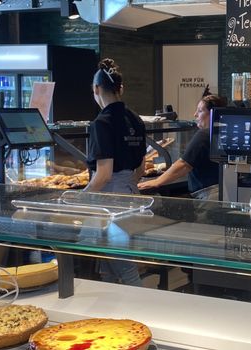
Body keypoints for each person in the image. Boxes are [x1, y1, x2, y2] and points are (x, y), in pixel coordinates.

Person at [83, 58, 146, 286]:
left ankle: (141, 315)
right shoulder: (135, 119)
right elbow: (141, 168)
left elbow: (104, 174)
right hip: (130, 194)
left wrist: (78, 199)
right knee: (108, 268)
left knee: (126, 268)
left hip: (108, 203)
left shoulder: (101, 123)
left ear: (96, 89)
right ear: (121, 88)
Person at [137, 90, 227, 200]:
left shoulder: (204, 134)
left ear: (213, 113)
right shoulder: (224, 132)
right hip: (222, 190)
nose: (195, 115)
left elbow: (184, 164)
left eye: (200, 111)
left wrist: (157, 181)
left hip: (209, 194)